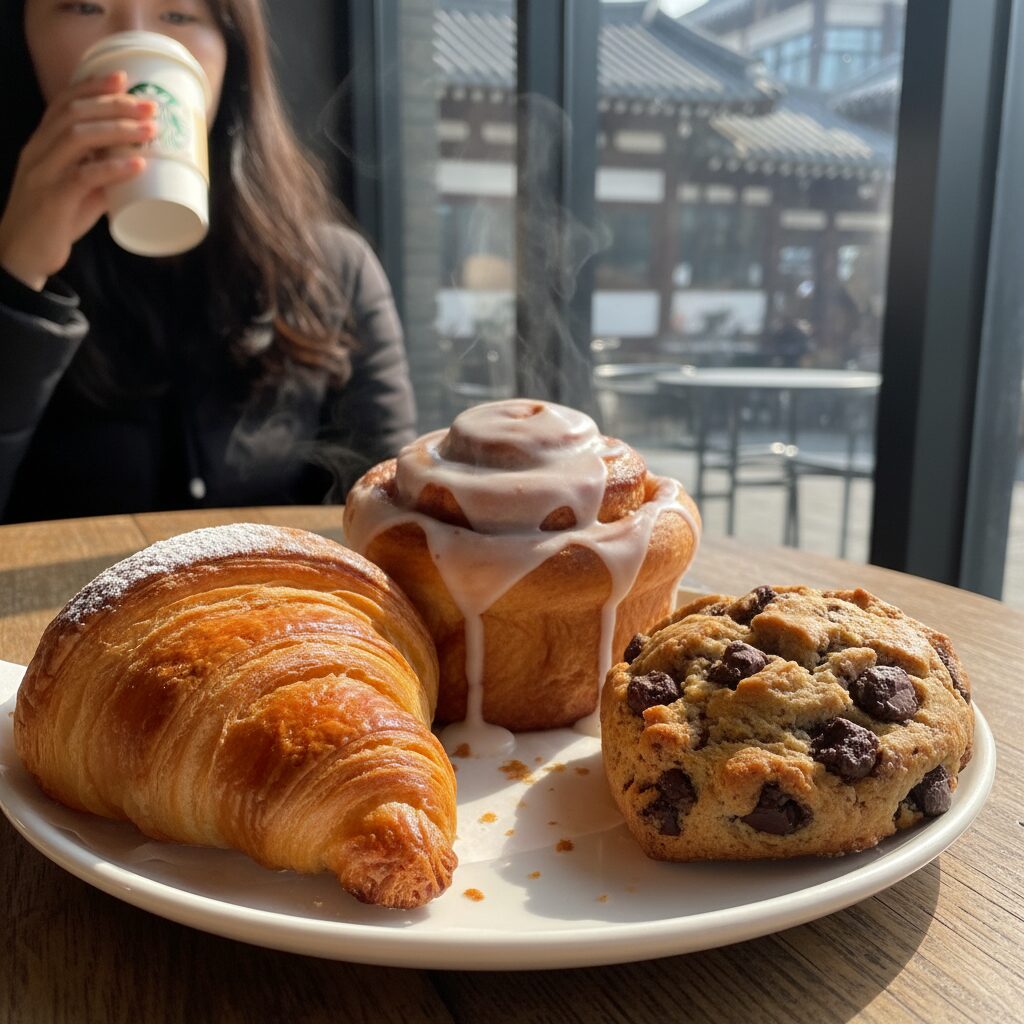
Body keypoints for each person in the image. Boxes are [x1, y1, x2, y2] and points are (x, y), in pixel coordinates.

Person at [0, 0, 416, 523]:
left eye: (178, 15)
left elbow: (390, 512)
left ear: (231, 55)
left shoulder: (332, 269)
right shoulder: (12, 260)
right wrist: (18, 279)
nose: (135, 37)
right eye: (85, 6)